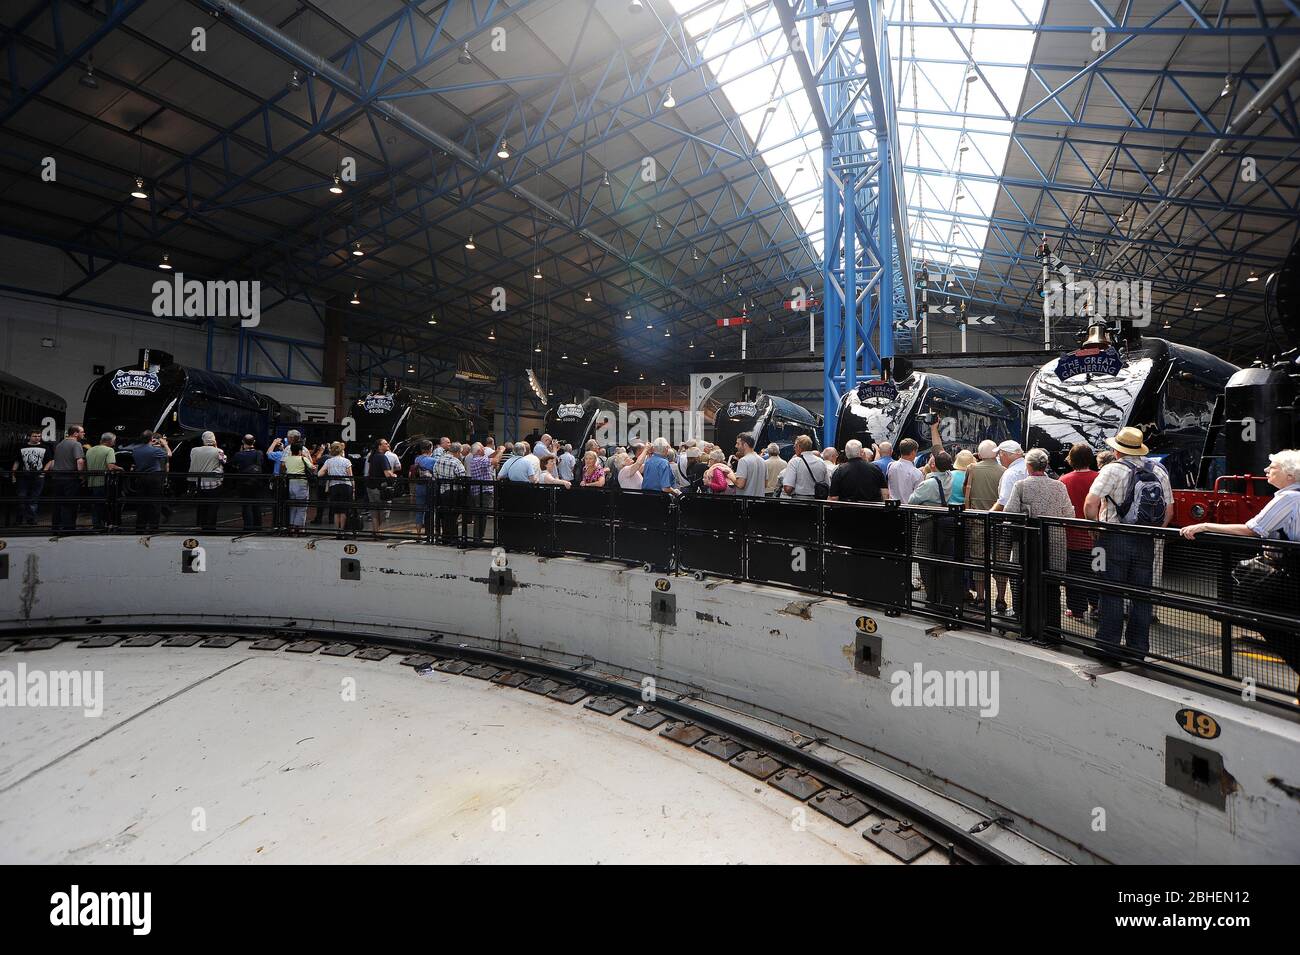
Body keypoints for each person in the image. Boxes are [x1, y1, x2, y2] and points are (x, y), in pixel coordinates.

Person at [1181, 448, 1300, 693]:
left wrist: (1204, 525)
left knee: (1270, 623)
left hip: (1291, 573)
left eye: (1273, 467)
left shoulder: (1287, 499)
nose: (1266, 471)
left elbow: (1252, 530)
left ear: (1290, 475)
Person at [1084, 426, 1173, 658]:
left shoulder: (1112, 470)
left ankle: (1107, 646)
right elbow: (1170, 511)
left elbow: (1090, 503)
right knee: (1141, 595)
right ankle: (1137, 649)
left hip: (1112, 538)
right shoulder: (1159, 469)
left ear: (1117, 451)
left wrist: (1095, 527)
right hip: (1145, 541)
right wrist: (1154, 532)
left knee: (1110, 591)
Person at [1058, 443, 1100, 618]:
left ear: (1071, 460)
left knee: (1073, 575)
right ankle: (1097, 606)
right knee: (1098, 572)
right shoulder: (1099, 477)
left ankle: (1076, 610)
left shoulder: (1063, 481)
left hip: (1072, 538)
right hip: (1098, 538)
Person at [48, 424, 86, 531]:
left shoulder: (60, 444)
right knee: (70, 504)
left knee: (57, 504)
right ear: (75, 433)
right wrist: (81, 475)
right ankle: (68, 528)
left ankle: (56, 527)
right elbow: (79, 461)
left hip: (57, 477)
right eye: (82, 432)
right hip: (70, 478)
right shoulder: (76, 444)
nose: (83, 434)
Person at [131, 431, 171, 531]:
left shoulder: (135, 450)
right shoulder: (154, 450)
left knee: (142, 504)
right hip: (154, 477)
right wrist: (165, 444)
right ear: (151, 439)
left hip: (140, 477)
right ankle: (153, 527)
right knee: (155, 504)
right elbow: (169, 454)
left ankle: (140, 527)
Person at [189, 431, 226, 532]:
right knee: (213, 507)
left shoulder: (194, 450)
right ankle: (211, 527)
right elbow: (224, 461)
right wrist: (216, 447)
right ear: (213, 439)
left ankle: (201, 525)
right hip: (214, 484)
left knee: (202, 505)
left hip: (200, 483)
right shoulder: (218, 451)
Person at [11, 429, 50, 526]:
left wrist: (43, 472)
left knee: (34, 499)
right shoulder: (21, 447)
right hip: (23, 476)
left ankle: (31, 520)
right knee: (21, 498)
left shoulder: (45, 447)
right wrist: (13, 474)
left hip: (38, 476)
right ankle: (19, 520)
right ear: (29, 436)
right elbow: (17, 461)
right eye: (34, 436)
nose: (37, 438)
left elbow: (50, 460)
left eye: (39, 436)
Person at [318, 440, 354, 536]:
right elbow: (351, 476)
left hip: (334, 486)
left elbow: (319, 473)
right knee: (344, 510)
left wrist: (329, 473)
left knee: (336, 510)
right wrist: (354, 489)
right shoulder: (347, 461)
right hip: (346, 486)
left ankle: (336, 530)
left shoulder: (328, 461)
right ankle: (342, 530)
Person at [433, 441, 467, 544]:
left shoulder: (439, 460)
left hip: (442, 491)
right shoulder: (456, 462)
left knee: (444, 515)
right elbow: (462, 476)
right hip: (454, 492)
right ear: (457, 452)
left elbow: (435, 474)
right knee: (453, 516)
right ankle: (453, 538)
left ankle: (445, 537)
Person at [84, 433, 120, 530]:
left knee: (95, 505)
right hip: (103, 482)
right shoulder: (109, 450)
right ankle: (103, 526)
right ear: (109, 441)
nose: (114, 442)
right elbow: (111, 467)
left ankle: (96, 525)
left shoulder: (90, 450)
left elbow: (85, 466)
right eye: (114, 440)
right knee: (104, 505)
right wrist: (121, 468)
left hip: (91, 482)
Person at [230, 434, 265, 532]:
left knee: (246, 505)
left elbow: (232, 464)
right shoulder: (259, 453)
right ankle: (258, 527)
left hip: (243, 482)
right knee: (256, 505)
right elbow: (261, 464)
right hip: (257, 481)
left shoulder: (238, 455)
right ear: (254, 442)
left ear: (243, 442)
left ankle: (248, 527)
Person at [364, 438, 398, 535]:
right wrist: (394, 475)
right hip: (379, 487)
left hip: (370, 486)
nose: (388, 445)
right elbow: (387, 474)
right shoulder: (382, 457)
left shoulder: (372, 456)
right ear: (380, 446)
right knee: (383, 511)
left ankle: (376, 532)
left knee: (374, 510)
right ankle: (378, 531)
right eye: (385, 443)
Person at [780, 434, 830, 499]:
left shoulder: (794, 462)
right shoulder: (821, 462)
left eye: (795, 447)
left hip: (799, 501)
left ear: (799, 446)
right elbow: (828, 484)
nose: (794, 449)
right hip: (817, 502)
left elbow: (788, 489)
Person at [281, 438, 314, 532]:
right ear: (300, 450)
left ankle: (291, 528)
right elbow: (312, 467)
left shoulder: (287, 459)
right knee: (302, 507)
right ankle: (300, 529)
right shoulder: (303, 458)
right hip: (301, 483)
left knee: (293, 506)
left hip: (290, 483)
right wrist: (306, 457)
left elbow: (283, 468)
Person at [467, 442, 495, 543]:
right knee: (481, 515)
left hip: (478, 491)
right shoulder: (480, 460)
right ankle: (478, 538)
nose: (485, 450)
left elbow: (490, 457)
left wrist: (495, 452)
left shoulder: (476, 459)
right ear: (479, 451)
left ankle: (478, 538)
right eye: (483, 448)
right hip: (483, 492)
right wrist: (501, 450)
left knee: (481, 515)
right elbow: (495, 461)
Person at [886, 438, 923, 504]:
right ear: (913, 452)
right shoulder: (917, 473)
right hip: (908, 510)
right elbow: (919, 497)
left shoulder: (891, 466)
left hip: (893, 507)